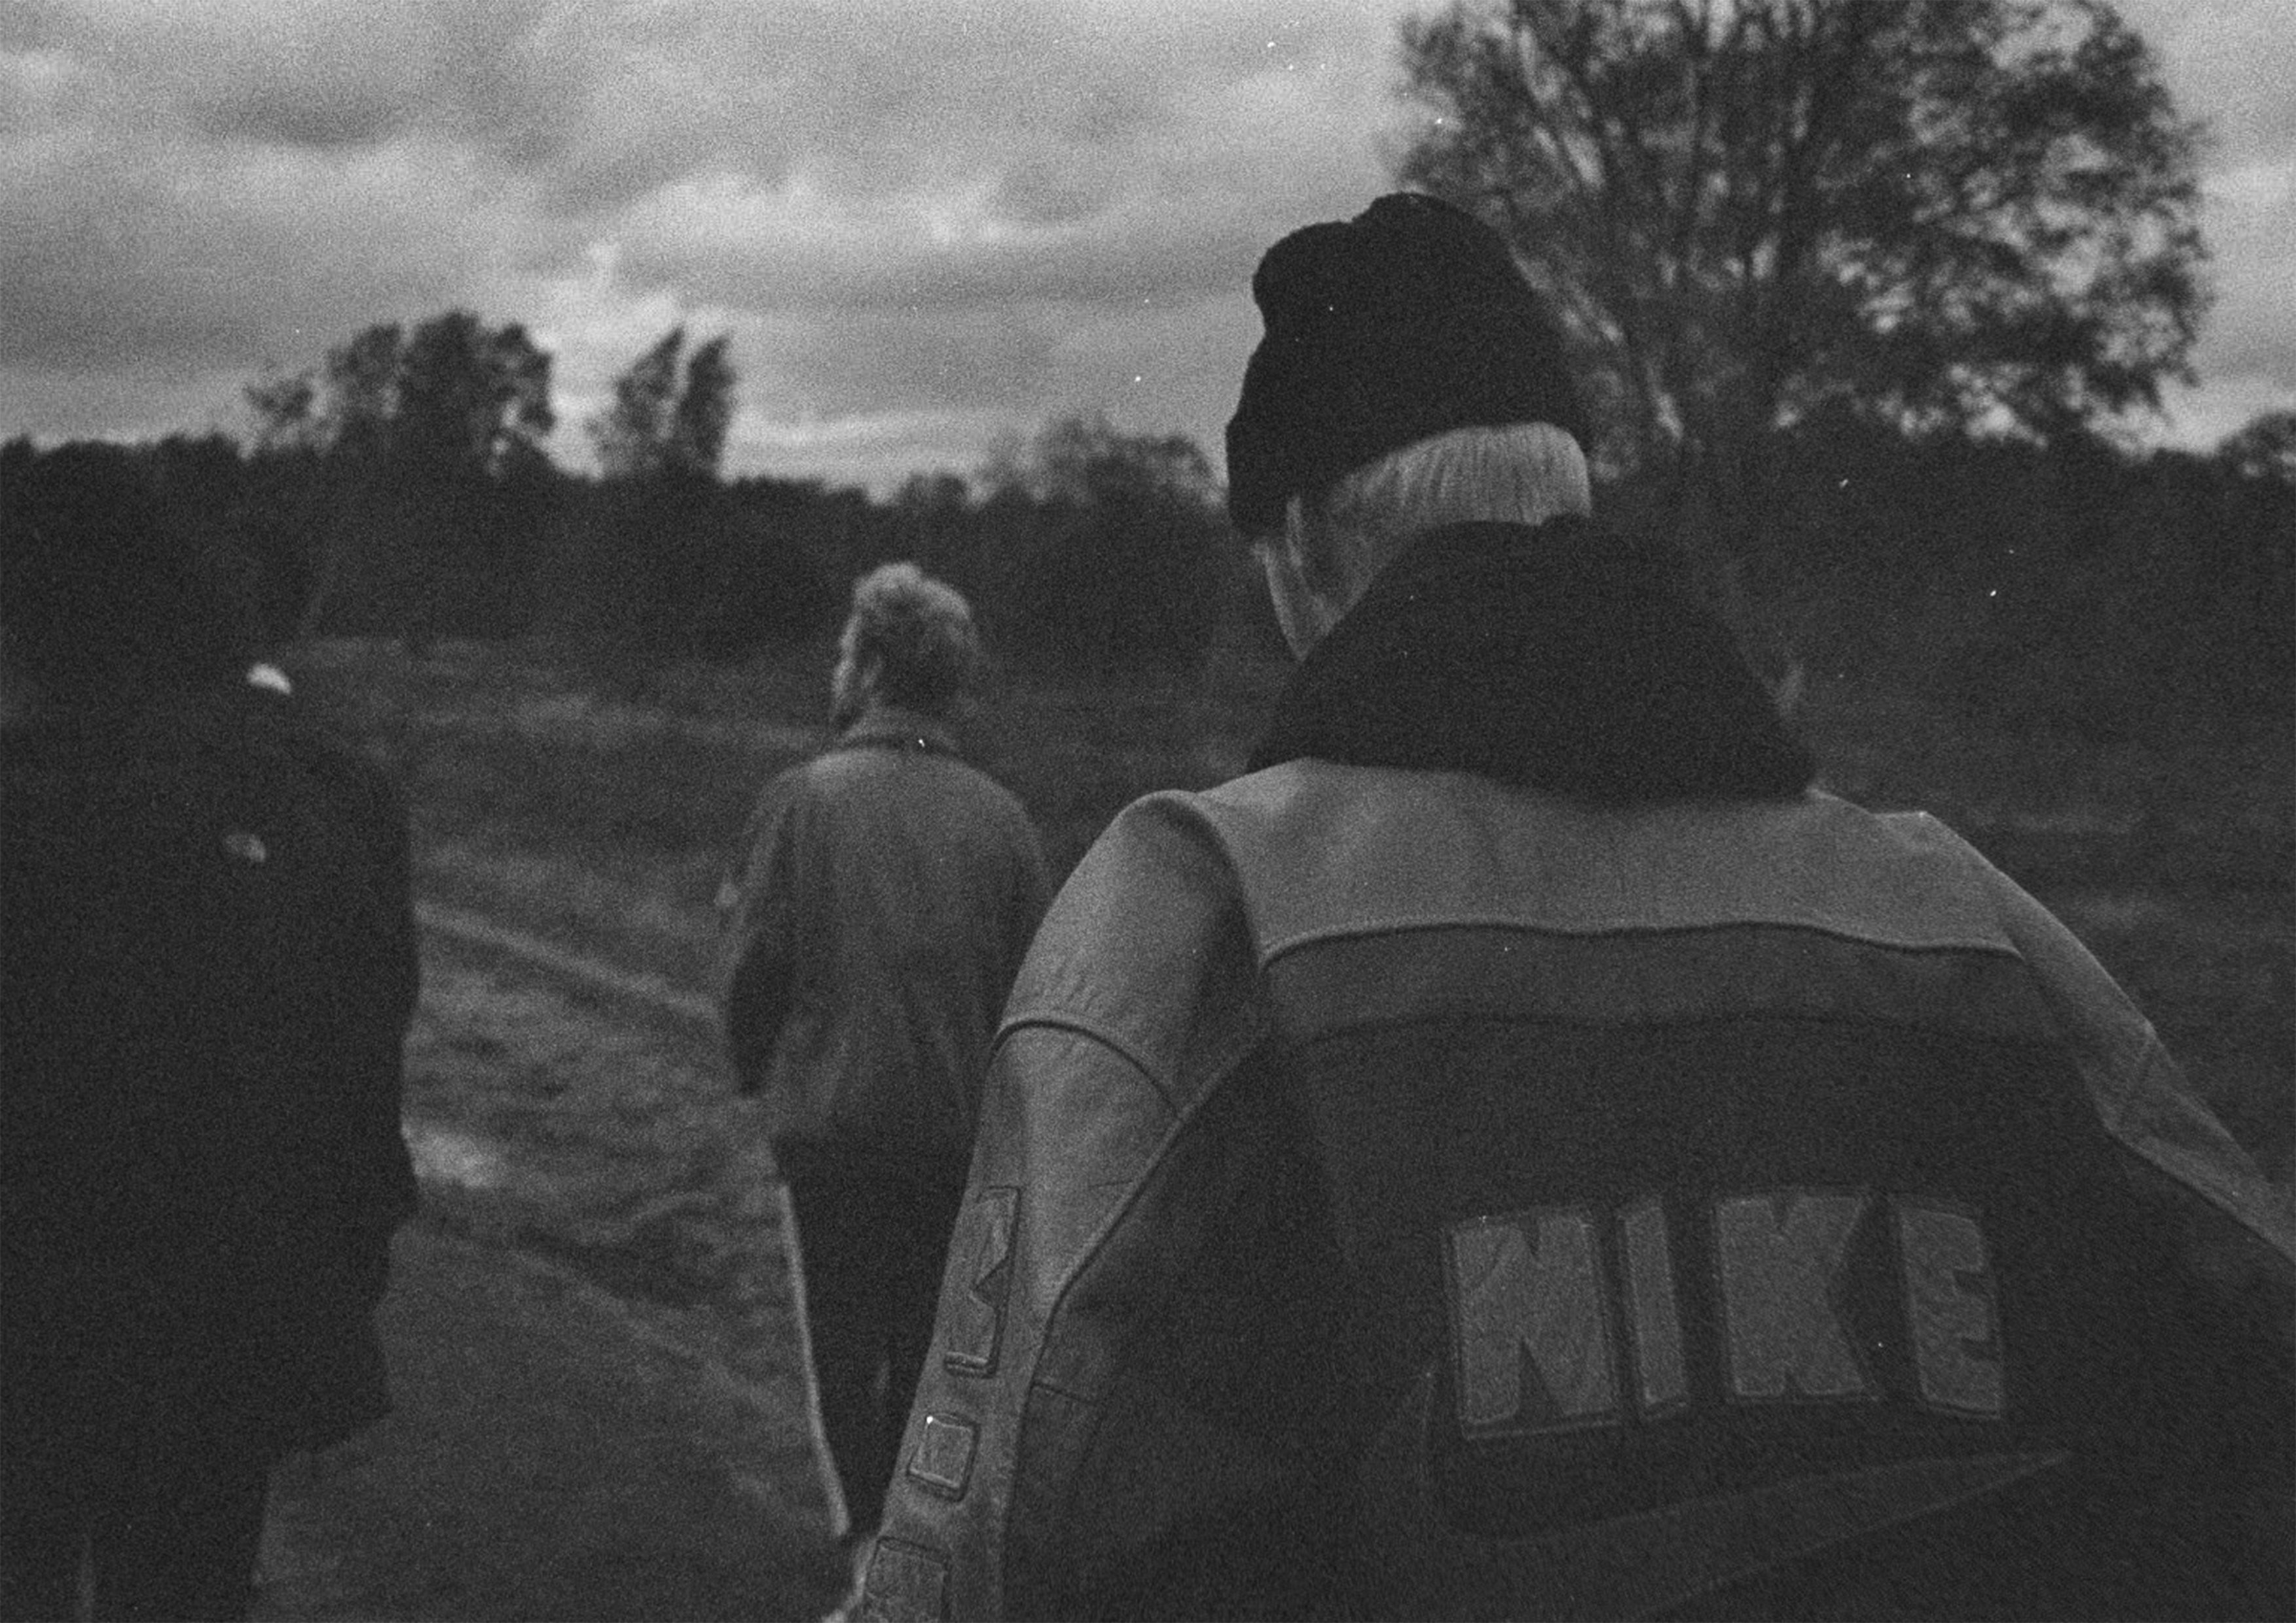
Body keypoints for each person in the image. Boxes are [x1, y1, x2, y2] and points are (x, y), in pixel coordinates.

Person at [857, 192, 2295, 1622]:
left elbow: (994, 1539)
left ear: (1299, 542)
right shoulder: (1958, 914)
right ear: (1569, 504)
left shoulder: (1200, 908)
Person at [1, 445, 418, 1622]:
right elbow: (365, 1058)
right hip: (223, 1328)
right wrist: (343, 1264)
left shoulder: (37, 794)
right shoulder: (325, 791)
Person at [717, 563, 1050, 1582]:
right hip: (955, 1139)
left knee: (839, 1347)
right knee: (927, 1353)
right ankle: (918, 1552)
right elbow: (1035, 995)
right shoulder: (1005, 821)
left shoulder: (803, 800)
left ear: (867, 667)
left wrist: (752, 1065)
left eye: (842, 652)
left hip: (832, 1131)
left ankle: (869, 1553)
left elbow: (756, 961)